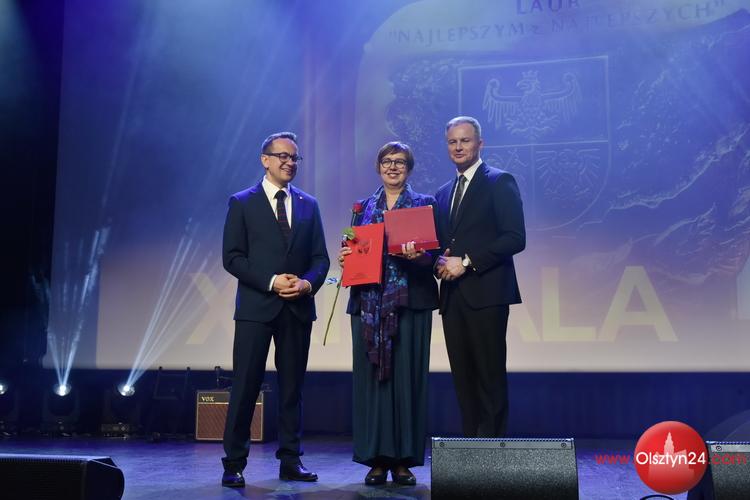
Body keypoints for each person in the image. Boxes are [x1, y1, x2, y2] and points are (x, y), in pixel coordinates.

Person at [220, 131, 330, 487]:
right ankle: (234, 463)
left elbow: (321, 258)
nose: (289, 162)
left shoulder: (309, 204)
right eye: (282, 156)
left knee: (292, 388)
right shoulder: (242, 202)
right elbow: (232, 258)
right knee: (245, 386)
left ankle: (291, 460)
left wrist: (306, 284)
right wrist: (271, 281)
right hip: (256, 308)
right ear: (264, 159)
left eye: (294, 157)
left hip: (297, 309)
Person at [339, 141, 439, 486]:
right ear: (378, 166)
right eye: (386, 161)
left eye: (400, 161)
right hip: (368, 307)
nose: (393, 166)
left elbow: (436, 259)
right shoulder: (361, 208)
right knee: (373, 383)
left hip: (409, 303)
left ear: (409, 168)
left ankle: (403, 461)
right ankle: (376, 459)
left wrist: (421, 257)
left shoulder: (425, 204)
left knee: (407, 381)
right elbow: (351, 248)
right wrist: (345, 257)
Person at [434, 116, 526, 438]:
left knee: (489, 377)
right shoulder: (443, 193)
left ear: (480, 144)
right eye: (452, 142)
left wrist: (467, 262)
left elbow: (515, 238)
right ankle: (470, 450)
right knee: (463, 379)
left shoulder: (499, 182)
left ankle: (492, 452)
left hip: (488, 295)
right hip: (452, 298)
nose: (458, 147)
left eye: (465, 140)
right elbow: (442, 245)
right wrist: (436, 262)